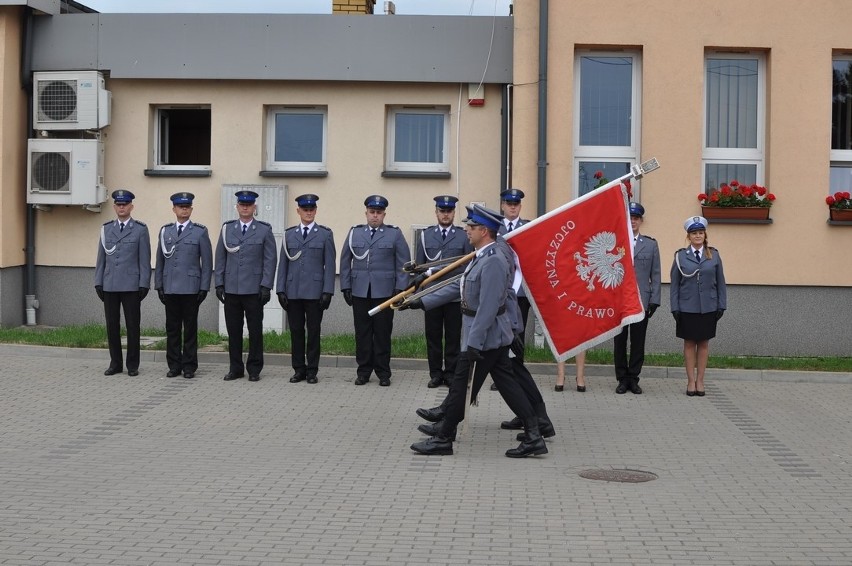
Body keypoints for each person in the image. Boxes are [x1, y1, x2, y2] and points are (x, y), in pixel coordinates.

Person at [410, 204, 548, 458]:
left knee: (462, 384)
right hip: (486, 335)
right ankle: (534, 435)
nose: (466, 230)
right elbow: (460, 287)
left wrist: (473, 343)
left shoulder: (494, 260)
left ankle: (444, 437)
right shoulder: (482, 256)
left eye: (471, 227)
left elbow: (488, 305)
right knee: (507, 384)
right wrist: (422, 301)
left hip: (485, 335)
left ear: (484, 230)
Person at [339, 195, 411, 387]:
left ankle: (383, 372)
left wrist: (400, 289)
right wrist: (345, 286)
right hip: (360, 290)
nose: (375, 216)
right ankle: (363, 372)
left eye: (379, 213)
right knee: (362, 333)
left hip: (385, 292)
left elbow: (403, 263)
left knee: (382, 333)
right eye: (372, 212)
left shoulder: (394, 234)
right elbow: (345, 261)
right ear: (366, 213)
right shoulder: (355, 232)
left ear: (384, 214)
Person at [214, 190, 277, 383]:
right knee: (234, 331)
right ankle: (235, 368)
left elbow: (270, 260)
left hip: (254, 290)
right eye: (242, 204)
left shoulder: (264, 230)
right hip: (232, 289)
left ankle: (255, 368)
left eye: (249, 205)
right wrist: (219, 283)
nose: (245, 207)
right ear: (237, 207)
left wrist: (266, 285)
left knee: (255, 330)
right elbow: (221, 258)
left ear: (254, 207)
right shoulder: (227, 229)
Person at [276, 193, 336, 384]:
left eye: (311, 209)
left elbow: (330, 265)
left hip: (315, 292)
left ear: (315, 211)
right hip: (293, 291)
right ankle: (298, 369)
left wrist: (328, 291)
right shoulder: (289, 234)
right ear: (298, 211)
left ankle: (312, 370)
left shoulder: (325, 234)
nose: (308, 213)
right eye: (305, 209)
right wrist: (280, 290)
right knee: (295, 331)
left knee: (313, 332)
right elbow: (283, 264)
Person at [154, 192, 213, 379]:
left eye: (187, 207)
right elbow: (160, 260)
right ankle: (173, 365)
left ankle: (189, 366)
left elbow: (207, 262)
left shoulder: (200, 231)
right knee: (172, 329)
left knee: (189, 329)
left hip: (190, 288)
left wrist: (204, 287)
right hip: (170, 287)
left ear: (191, 209)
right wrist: (159, 286)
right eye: (180, 207)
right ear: (174, 209)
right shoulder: (166, 231)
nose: (184, 209)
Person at [416, 195, 473, 388]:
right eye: (442, 211)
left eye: (449, 211)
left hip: (454, 295)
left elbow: (465, 265)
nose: (445, 214)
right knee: (432, 336)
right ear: (436, 212)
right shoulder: (425, 235)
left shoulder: (463, 235)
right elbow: (421, 267)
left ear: (453, 213)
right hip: (431, 295)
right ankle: (435, 374)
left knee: (452, 337)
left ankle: (450, 373)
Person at [94, 189, 151, 377]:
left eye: (125, 204)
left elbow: (144, 260)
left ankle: (132, 365)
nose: (121, 207)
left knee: (133, 325)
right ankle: (115, 363)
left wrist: (144, 283)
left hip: (131, 285)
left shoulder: (140, 230)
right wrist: (98, 282)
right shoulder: (106, 229)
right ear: (114, 207)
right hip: (110, 283)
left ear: (131, 206)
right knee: (112, 325)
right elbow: (101, 259)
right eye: (118, 204)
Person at [670, 215, 727, 397]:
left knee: (703, 344)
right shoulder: (680, 256)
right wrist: (674, 307)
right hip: (687, 307)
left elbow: (721, 282)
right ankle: (690, 381)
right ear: (689, 236)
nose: (697, 236)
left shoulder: (714, 255)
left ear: (705, 235)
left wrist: (721, 305)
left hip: (708, 307)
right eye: (694, 233)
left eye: (700, 232)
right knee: (688, 344)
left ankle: (701, 380)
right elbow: (674, 284)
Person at [614, 202, 661, 394]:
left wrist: (655, 300)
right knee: (620, 341)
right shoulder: (616, 242)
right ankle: (622, 378)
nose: (633, 221)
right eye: (630, 218)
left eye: (636, 218)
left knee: (638, 341)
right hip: (619, 300)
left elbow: (656, 274)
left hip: (641, 300)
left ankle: (634, 378)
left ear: (641, 221)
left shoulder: (650, 244)